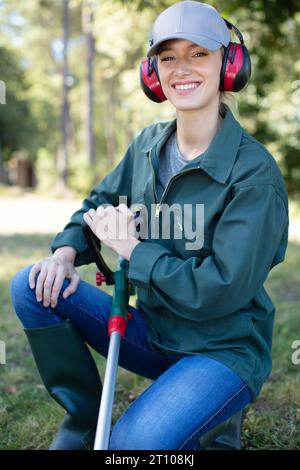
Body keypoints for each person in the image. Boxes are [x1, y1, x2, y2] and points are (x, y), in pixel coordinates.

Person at [10, 0, 289, 451]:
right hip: (154, 335)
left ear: (230, 63)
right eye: (168, 56)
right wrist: (65, 254)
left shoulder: (254, 173)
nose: (183, 68)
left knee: (132, 447)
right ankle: (82, 420)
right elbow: (97, 204)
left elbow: (221, 289)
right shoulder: (146, 146)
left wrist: (134, 250)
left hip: (221, 350)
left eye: (199, 53)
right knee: (32, 285)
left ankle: (218, 409)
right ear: (153, 73)